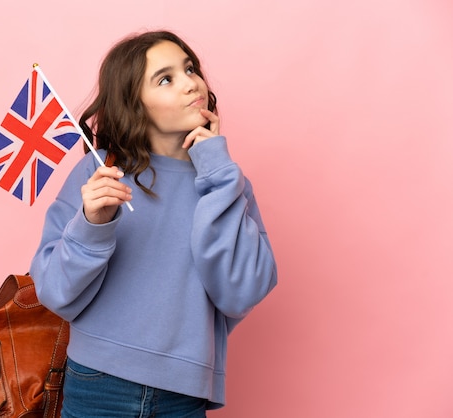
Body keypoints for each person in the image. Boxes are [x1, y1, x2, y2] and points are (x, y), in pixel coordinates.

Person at [30, 30, 277, 417]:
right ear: (136, 104)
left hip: (184, 392)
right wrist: (92, 224)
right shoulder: (100, 172)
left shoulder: (226, 181)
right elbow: (56, 293)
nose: (190, 83)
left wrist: (216, 167)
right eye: (166, 78)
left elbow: (241, 291)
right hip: (98, 384)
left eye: (189, 68)